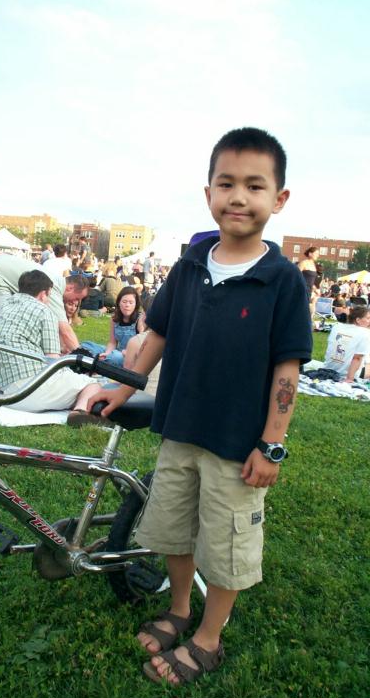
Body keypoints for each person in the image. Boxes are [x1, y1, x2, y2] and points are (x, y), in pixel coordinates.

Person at [87, 127, 312, 685]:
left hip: (237, 445)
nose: (239, 197)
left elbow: (288, 370)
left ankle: (208, 639)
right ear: (207, 192)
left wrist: (272, 443)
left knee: (228, 543)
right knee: (174, 530)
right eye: (226, 183)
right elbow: (157, 333)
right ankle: (180, 609)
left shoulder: (282, 280)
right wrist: (124, 387)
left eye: (255, 186)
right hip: (180, 428)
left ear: (278, 199)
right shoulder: (190, 264)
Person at [0, 270, 104, 414]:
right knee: (92, 385)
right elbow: (53, 362)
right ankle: (80, 411)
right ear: (43, 294)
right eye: (48, 295)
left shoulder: (5, 306)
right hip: (23, 394)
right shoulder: (45, 311)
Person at [0, 253, 89, 353]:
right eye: (77, 298)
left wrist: (62, 347)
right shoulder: (54, 289)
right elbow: (65, 330)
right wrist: (82, 357)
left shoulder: (55, 281)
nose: (76, 302)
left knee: (13, 326)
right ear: (70, 288)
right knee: (8, 325)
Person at [81, 286, 145, 366]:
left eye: (131, 302)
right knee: (86, 345)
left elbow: (143, 346)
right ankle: (101, 360)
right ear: (119, 303)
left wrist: (126, 353)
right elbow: (112, 342)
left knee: (115, 357)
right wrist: (107, 353)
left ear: (136, 305)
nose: (127, 305)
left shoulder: (140, 320)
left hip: (130, 356)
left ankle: (95, 362)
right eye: (124, 302)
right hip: (117, 351)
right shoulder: (114, 319)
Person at [323, 306, 370, 382]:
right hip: (347, 372)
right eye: (368, 318)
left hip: (328, 368)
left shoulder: (337, 327)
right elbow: (357, 358)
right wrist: (349, 379)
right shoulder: (365, 333)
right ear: (358, 320)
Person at [298, 246, 319, 317]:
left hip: (309, 290)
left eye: (318, 254)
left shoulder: (314, 265)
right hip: (302, 290)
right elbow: (296, 276)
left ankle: (308, 325)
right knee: (303, 310)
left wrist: (315, 289)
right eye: (316, 253)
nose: (317, 255)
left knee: (310, 310)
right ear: (310, 254)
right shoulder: (303, 263)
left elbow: (311, 280)